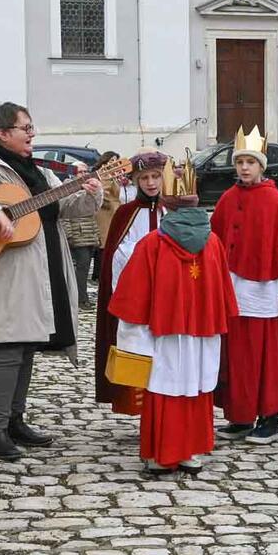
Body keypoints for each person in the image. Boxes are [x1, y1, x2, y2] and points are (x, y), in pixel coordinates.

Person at [0, 102, 103, 460]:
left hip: (38, 273)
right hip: (3, 277)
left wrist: (91, 192)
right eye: (25, 128)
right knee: (6, 349)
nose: (32, 134)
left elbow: (65, 208)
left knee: (26, 347)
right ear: (2, 133)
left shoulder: (39, 172)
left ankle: (14, 421)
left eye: (31, 127)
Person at [107, 183, 239, 477]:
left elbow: (134, 297)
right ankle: (190, 452)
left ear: (167, 207)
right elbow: (222, 293)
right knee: (195, 386)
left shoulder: (152, 243)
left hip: (163, 335)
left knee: (163, 387)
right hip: (202, 334)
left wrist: (131, 336)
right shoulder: (213, 242)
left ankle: (161, 455)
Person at [210, 127, 278, 443]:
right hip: (233, 296)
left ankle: (269, 419)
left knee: (267, 362)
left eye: (250, 162)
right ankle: (241, 416)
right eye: (240, 161)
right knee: (238, 362)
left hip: (265, 299)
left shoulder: (276, 203)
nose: (244, 168)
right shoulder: (227, 199)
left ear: (261, 166)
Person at [96, 152, 170, 416]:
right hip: (135, 298)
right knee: (138, 350)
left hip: (168, 298)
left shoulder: (172, 211)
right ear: (136, 180)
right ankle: (142, 408)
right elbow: (115, 257)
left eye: (155, 176)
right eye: (144, 178)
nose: (150, 183)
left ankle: (165, 408)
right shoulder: (125, 214)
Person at [64, 161, 102, 310]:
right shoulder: (67, 187)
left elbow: (93, 213)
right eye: (80, 172)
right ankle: (80, 298)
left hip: (89, 234)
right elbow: (64, 215)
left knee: (84, 268)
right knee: (81, 267)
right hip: (77, 234)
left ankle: (82, 296)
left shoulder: (91, 187)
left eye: (86, 171)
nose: (84, 174)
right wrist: (68, 234)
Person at [93, 150, 122, 280]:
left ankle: (101, 272)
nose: (114, 163)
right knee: (103, 243)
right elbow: (101, 192)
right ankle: (99, 273)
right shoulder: (103, 174)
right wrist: (108, 203)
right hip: (105, 213)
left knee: (108, 243)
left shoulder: (113, 175)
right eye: (112, 160)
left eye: (116, 161)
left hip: (112, 213)